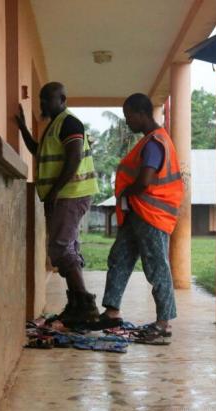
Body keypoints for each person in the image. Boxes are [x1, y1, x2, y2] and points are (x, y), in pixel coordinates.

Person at [99, 93, 184, 344]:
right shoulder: (150, 141)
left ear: (142, 113)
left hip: (151, 215)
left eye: (129, 117)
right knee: (119, 258)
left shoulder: (155, 142)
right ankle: (112, 312)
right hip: (138, 213)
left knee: (157, 267)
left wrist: (126, 192)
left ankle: (163, 324)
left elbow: (146, 180)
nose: (127, 122)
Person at [16, 82, 100, 325]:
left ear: (62, 98)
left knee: (61, 248)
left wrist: (54, 191)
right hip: (65, 194)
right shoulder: (53, 126)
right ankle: (77, 306)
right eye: (41, 99)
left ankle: (85, 306)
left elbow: (73, 158)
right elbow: (38, 152)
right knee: (67, 248)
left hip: (71, 193)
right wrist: (22, 128)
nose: (42, 104)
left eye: (47, 99)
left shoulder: (69, 123)